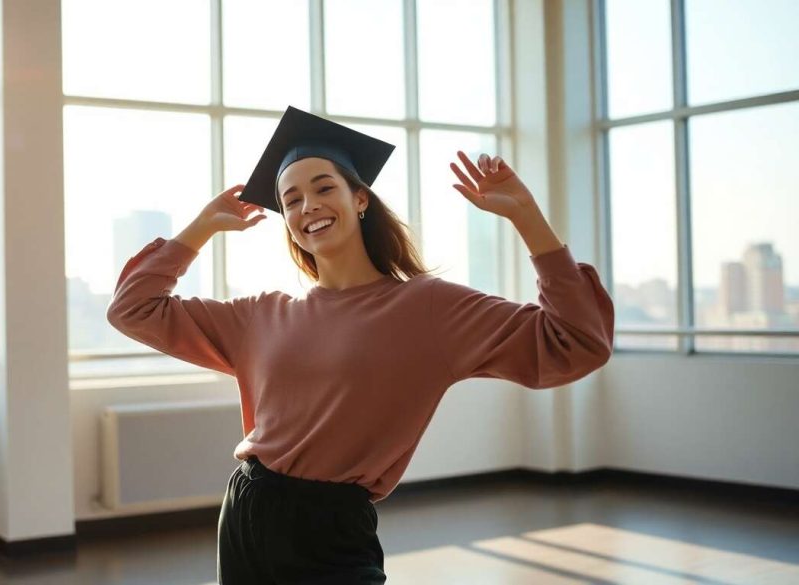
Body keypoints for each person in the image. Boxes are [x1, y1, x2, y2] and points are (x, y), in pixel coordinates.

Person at [107, 106, 614, 584]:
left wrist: (528, 219)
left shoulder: (428, 308)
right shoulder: (263, 313)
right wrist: (199, 230)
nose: (309, 206)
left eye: (324, 187)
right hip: (246, 508)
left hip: (331, 529)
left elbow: (576, 343)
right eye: (291, 200)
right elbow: (134, 310)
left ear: (361, 199)